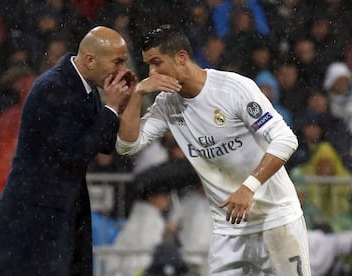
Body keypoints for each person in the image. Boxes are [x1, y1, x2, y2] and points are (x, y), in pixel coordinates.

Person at [116, 24, 311, 275]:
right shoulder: (166, 104)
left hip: (275, 220)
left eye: (156, 63)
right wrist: (137, 92)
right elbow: (127, 145)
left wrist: (248, 187)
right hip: (228, 231)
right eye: (147, 66)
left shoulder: (233, 89)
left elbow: (286, 139)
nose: (152, 73)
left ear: (181, 57)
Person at [0, 26, 136, 275]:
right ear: (90, 60)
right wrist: (110, 109)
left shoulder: (84, 88)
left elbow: (105, 145)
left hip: (60, 215)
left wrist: (119, 105)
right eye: (117, 62)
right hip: (33, 219)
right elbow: (73, 153)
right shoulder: (54, 88)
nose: (123, 70)